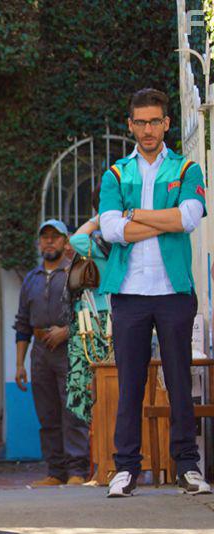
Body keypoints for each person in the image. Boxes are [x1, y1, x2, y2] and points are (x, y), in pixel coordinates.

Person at [98, 88, 211, 497]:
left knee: (180, 379)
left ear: (167, 124)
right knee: (129, 381)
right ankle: (126, 468)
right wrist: (162, 221)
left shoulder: (187, 168)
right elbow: (110, 228)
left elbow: (189, 217)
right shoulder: (115, 173)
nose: (148, 129)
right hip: (128, 291)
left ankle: (187, 467)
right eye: (140, 122)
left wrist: (137, 216)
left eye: (155, 121)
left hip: (172, 289)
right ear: (130, 125)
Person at [13, 219, 90, 486]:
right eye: (44, 236)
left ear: (65, 241)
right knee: (47, 414)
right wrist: (19, 364)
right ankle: (55, 472)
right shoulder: (31, 280)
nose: (49, 241)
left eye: (55, 237)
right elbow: (22, 323)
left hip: (69, 350)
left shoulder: (75, 273)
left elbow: (88, 313)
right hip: (39, 353)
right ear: (39, 242)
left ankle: (77, 471)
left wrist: (66, 331)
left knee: (73, 411)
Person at [66, 212, 112, 426]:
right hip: (101, 314)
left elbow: (75, 239)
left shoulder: (104, 244)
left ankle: (97, 442)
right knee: (103, 385)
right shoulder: (116, 242)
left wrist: (98, 218)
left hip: (96, 315)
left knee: (90, 385)